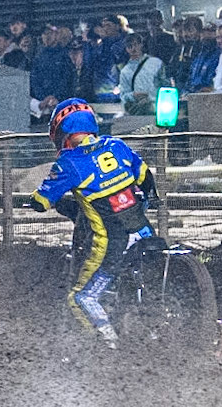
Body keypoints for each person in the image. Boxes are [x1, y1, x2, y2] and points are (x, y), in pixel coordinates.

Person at [30, 101, 158, 349]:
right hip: (144, 232)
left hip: (112, 243)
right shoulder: (117, 145)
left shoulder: (69, 162)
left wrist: (34, 200)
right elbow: (145, 177)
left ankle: (107, 347)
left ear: (62, 134)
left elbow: (42, 201)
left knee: (81, 297)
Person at [117, 32, 167, 117]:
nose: (133, 49)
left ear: (141, 45)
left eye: (135, 45)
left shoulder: (156, 63)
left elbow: (166, 84)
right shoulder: (125, 71)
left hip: (158, 109)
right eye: (129, 46)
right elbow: (123, 96)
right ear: (126, 49)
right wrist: (133, 95)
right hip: (138, 111)